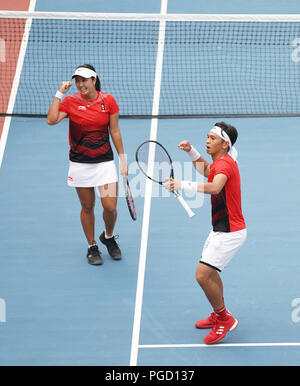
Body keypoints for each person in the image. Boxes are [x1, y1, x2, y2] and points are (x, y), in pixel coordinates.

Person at [165, 122, 247, 344]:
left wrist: (182, 184)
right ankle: (220, 313)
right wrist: (191, 151)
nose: (207, 141)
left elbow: (215, 187)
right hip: (221, 229)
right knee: (211, 273)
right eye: (207, 137)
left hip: (230, 232)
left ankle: (224, 320)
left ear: (225, 144)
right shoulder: (221, 162)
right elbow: (207, 172)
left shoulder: (226, 166)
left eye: (212, 138)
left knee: (202, 275)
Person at [47, 64, 128, 266]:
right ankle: (92, 246)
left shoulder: (108, 101)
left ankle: (108, 236)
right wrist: (59, 93)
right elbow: (51, 120)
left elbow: (115, 131)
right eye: (77, 80)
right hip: (80, 163)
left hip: (105, 162)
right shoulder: (70, 101)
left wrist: (122, 158)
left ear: (94, 80)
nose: (80, 84)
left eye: (84, 80)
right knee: (87, 206)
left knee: (110, 207)